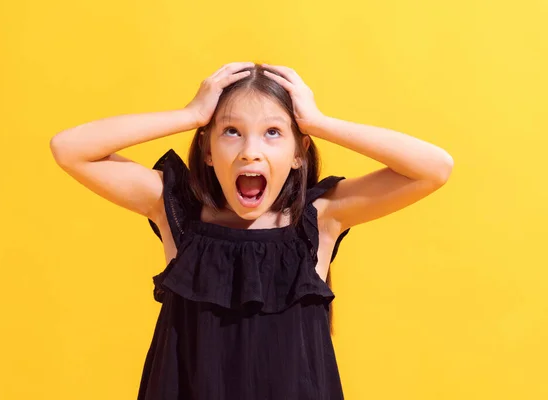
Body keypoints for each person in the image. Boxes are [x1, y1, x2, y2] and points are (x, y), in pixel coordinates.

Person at [50, 61, 454, 399]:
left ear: (298, 154)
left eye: (273, 133)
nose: (250, 150)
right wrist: (190, 115)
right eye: (231, 131)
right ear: (208, 152)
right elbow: (69, 148)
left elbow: (435, 168)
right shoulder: (178, 215)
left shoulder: (321, 219)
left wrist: (319, 123)